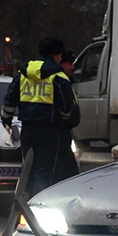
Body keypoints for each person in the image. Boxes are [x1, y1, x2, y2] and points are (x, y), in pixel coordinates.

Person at [0, 36, 76, 197]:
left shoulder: (23, 74)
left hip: (27, 129)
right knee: (45, 170)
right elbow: (67, 107)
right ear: (58, 55)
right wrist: (63, 120)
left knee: (27, 168)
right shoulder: (59, 77)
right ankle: (38, 204)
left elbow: (9, 101)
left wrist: (6, 120)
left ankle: (23, 201)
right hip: (49, 130)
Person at [52, 49, 80, 184]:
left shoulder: (66, 82)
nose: (73, 67)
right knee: (66, 171)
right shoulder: (59, 82)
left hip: (65, 131)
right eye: (69, 63)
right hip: (59, 131)